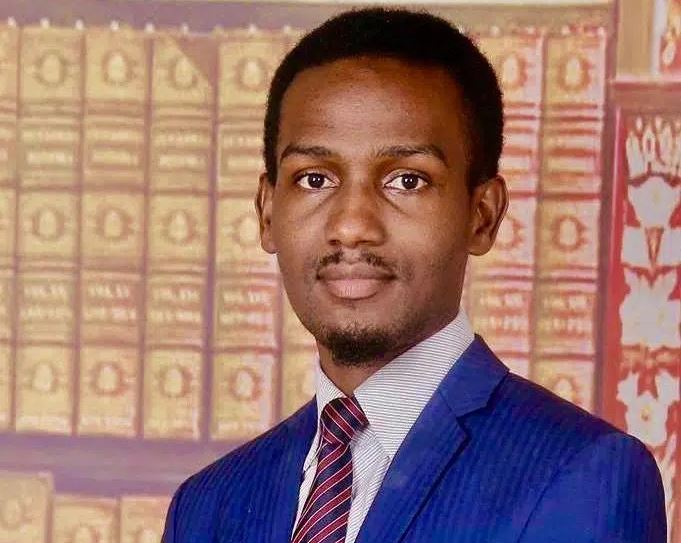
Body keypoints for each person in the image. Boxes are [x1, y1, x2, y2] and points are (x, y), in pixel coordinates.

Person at [162, 8, 666, 543]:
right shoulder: (207, 506)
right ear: (267, 212)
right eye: (314, 179)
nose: (351, 226)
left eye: (407, 180)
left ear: (482, 216)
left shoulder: (583, 477)